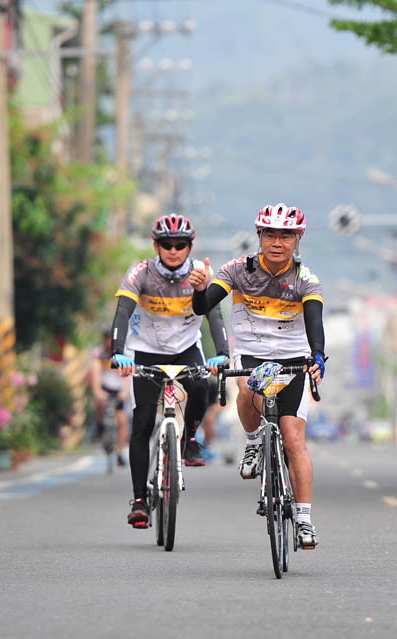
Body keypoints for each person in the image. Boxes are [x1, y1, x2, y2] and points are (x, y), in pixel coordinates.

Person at [189, 203, 326, 550]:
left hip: (293, 358)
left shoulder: (305, 280)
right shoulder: (237, 270)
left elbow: (314, 324)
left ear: (298, 240)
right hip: (253, 354)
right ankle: (253, 443)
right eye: (270, 235)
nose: (277, 242)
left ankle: (305, 520)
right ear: (259, 237)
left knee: (294, 438)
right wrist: (199, 289)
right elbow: (204, 306)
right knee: (248, 388)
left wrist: (318, 357)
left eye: (285, 236)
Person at [109, 213, 230, 529]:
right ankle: (139, 501)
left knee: (201, 384)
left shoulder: (201, 274)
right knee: (144, 422)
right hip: (146, 350)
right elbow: (123, 311)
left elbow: (214, 317)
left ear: (190, 246)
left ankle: (190, 437)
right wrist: (118, 353)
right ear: (156, 244)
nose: (173, 250)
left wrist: (223, 354)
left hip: (186, 349)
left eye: (180, 245)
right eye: (166, 244)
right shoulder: (141, 273)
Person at [88, 326, 129, 466]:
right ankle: (100, 424)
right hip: (104, 387)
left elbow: (127, 375)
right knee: (100, 402)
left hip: (118, 389)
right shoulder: (98, 354)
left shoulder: (122, 353)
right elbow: (95, 373)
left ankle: (120, 452)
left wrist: (125, 392)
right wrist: (98, 391)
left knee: (122, 421)